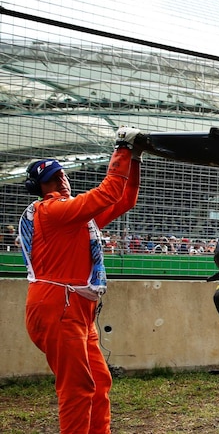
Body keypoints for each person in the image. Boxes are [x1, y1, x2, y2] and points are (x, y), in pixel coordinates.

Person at [18, 127, 142, 434]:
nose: (61, 181)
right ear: (41, 188)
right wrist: (123, 150)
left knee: (99, 381)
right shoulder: (53, 211)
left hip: (74, 310)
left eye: (62, 175)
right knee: (78, 387)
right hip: (59, 308)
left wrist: (135, 161)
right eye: (52, 179)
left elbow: (124, 200)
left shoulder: (73, 218)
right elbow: (108, 192)